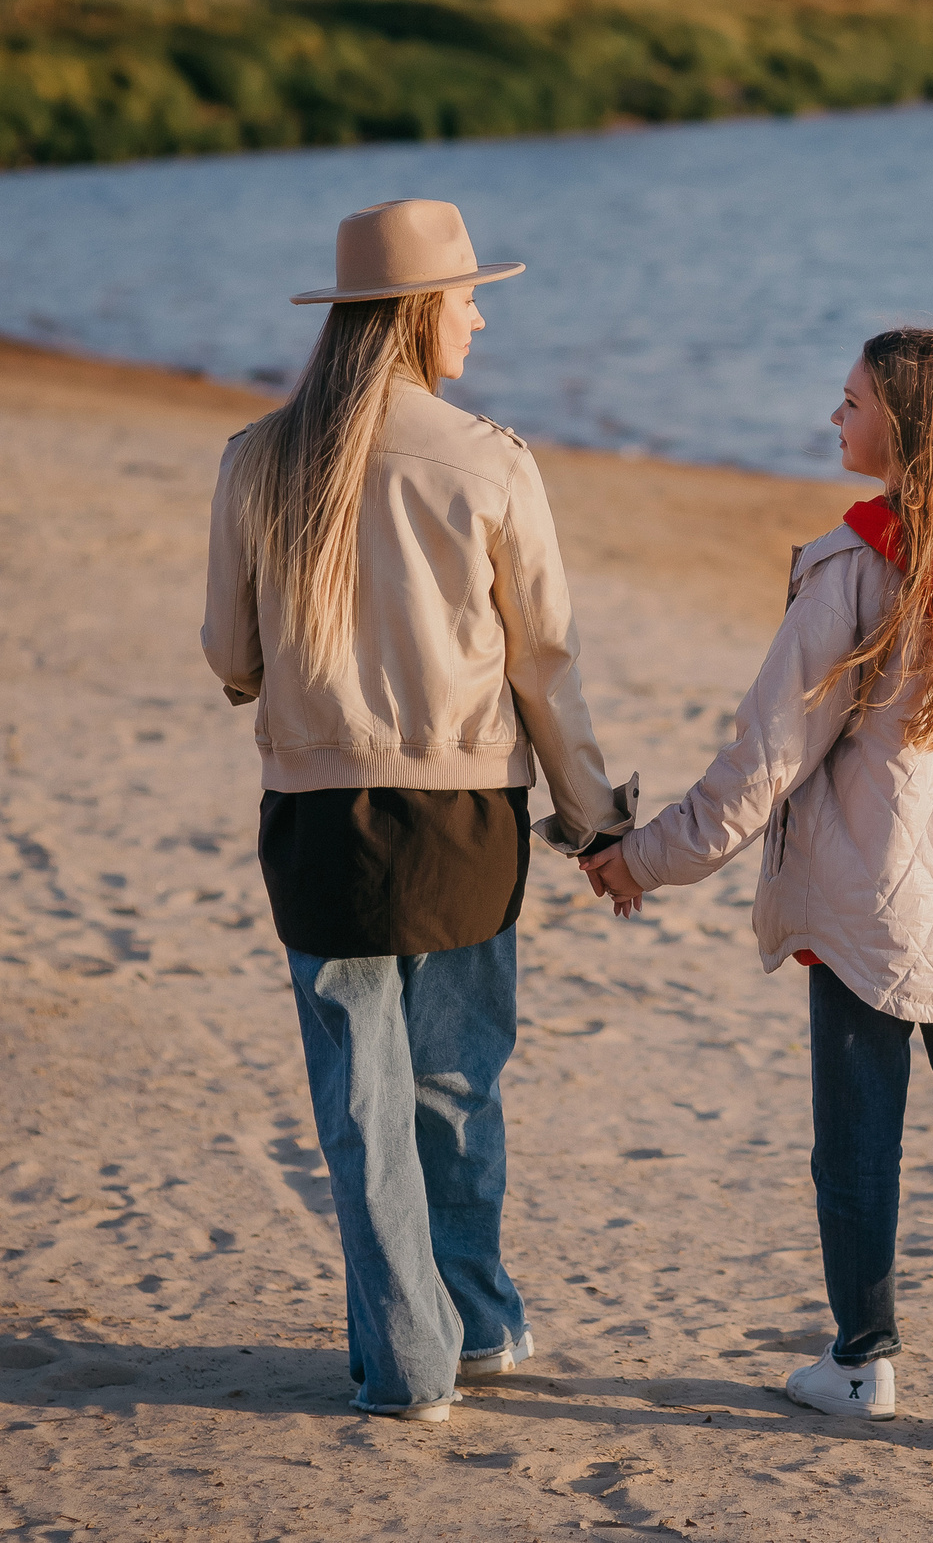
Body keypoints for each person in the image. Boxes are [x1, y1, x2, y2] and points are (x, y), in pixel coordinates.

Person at [581, 327, 933, 1458]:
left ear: (901, 426)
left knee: (857, 1143)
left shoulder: (854, 567)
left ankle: (862, 1364)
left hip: (871, 905)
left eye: (851, 401)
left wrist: (643, 859)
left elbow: (763, 759)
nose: (834, 417)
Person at [202, 198, 635, 1423]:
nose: (479, 319)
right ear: (413, 316)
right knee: (455, 1084)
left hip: (319, 822)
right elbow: (544, 667)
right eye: (467, 299)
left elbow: (231, 655)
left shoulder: (257, 457)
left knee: (363, 1103)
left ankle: (408, 1362)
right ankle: (479, 1326)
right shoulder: (490, 461)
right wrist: (594, 822)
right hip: (465, 824)